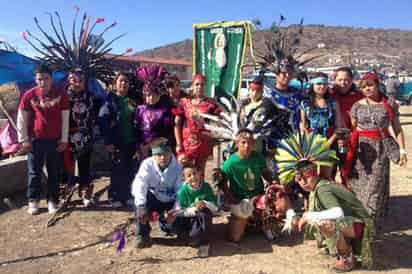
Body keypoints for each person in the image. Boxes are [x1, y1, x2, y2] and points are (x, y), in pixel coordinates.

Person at [342, 72, 407, 237]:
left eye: (370, 85)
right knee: (358, 190)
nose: (367, 89)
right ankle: (359, 228)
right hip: (361, 153)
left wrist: (402, 150)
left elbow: (397, 129)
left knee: (374, 192)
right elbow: (354, 129)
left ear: (378, 85)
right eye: (363, 86)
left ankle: (371, 228)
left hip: (380, 151)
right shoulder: (357, 106)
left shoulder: (390, 104)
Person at [294, 160, 372, 272]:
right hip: (353, 222)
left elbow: (337, 212)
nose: (303, 182)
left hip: (361, 225)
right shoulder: (318, 186)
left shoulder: (322, 189)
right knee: (317, 219)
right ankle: (340, 247)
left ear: (315, 174)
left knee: (324, 223)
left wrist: (309, 215)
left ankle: (348, 259)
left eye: (307, 176)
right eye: (299, 179)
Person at [17, 64, 70, 215]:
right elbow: (22, 118)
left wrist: (64, 139)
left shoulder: (61, 94)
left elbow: (65, 117)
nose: (43, 82)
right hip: (35, 141)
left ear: (51, 79)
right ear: (35, 79)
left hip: (55, 140)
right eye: (39, 79)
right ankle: (33, 201)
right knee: (34, 172)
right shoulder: (29, 95)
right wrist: (24, 140)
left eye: (46, 79)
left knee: (54, 172)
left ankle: (52, 201)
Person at [219, 129, 286, 242]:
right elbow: (222, 183)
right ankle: (239, 220)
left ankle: (263, 223)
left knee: (277, 199)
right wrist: (231, 198)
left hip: (257, 196)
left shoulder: (258, 157)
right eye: (243, 142)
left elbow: (265, 172)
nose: (247, 145)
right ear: (237, 143)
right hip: (240, 199)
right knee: (235, 238)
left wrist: (272, 182)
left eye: (250, 142)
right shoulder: (230, 163)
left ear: (254, 143)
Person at [98, 72, 140, 208]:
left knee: (129, 169)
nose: (123, 83)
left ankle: (127, 195)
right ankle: (114, 196)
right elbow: (103, 121)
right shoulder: (110, 101)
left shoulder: (132, 100)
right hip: (116, 142)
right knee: (117, 170)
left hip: (131, 141)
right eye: (121, 81)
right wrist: (108, 142)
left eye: (126, 81)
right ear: (115, 84)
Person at [132, 137, 182, 248]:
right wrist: (141, 206)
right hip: (153, 198)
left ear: (171, 152)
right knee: (139, 204)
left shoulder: (178, 167)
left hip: (170, 200)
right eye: (158, 155)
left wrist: (175, 211)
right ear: (153, 155)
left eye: (165, 153)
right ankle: (142, 234)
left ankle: (166, 224)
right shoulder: (147, 164)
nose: (162, 157)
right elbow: (139, 184)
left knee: (176, 228)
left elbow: (181, 192)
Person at [62, 69, 96, 207]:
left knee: (85, 166)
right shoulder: (63, 97)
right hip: (67, 136)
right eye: (74, 80)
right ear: (69, 81)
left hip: (85, 135)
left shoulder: (91, 97)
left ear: (85, 82)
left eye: (80, 81)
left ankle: (85, 193)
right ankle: (63, 194)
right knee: (66, 167)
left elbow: (94, 116)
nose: (77, 84)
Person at [174, 74, 220, 174]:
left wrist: (213, 138)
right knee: (186, 173)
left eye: (202, 85)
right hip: (187, 144)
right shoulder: (185, 102)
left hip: (203, 144)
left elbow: (218, 123)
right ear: (193, 85)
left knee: (200, 173)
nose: (199, 87)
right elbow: (177, 124)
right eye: (197, 84)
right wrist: (178, 143)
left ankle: (200, 189)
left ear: (205, 86)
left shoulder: (211, 104)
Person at [300, 73, 343, 179]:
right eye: (318, 83)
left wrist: (329, 142)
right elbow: (303, 125)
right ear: (312, 85)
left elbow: (338, 125)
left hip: (329, 142)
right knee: (310, 176)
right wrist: (310, 141)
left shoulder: (333, 103)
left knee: (327, 176)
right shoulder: (304, 104)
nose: (322, 86)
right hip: (310, 144)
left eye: (324, 84)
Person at [169, 164, 217, 257]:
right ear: (184, 179)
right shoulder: (182, 191)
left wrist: (205, 203)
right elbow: (179, 211)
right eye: (189, 175)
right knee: (191, 235)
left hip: (203, 217)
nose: (193, 177)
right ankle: (192, 237)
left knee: (205, 213)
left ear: (200, 174)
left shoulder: (206, 187)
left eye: (195, 173)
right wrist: (194, 209)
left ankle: (205, 242)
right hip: (189, 218)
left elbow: (215, 208)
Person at [134, 65, 175, 157]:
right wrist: (140, 145)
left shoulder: (164, 111)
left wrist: (152, 146)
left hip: (159, 150)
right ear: (144, 96)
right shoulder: (140, 110)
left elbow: (167, 132)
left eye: (154, 95)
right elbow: (136, 130)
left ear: (159, 96)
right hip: (142, 148)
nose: (151, 98)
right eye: (148, 95)